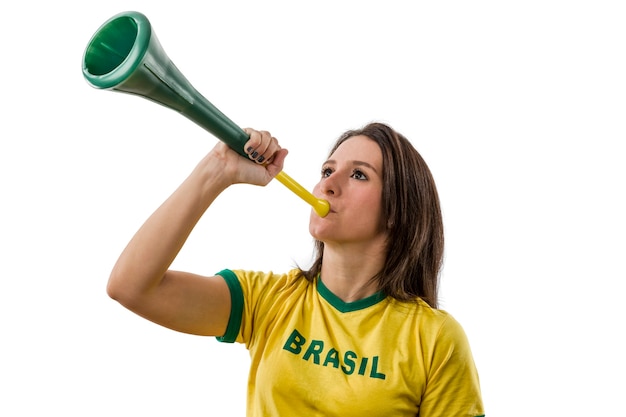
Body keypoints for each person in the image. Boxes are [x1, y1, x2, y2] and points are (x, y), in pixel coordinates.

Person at [107, 122, 485, 416]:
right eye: (327, 170)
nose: (327, 185)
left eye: (358, 175)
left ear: (397, 211)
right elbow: (131, 287)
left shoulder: (435, 339)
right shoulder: (268, 302)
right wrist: (217, 169)